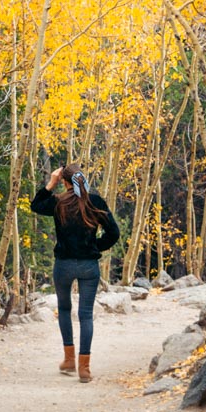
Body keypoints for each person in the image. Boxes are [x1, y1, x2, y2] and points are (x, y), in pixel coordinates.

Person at [31, 163, 120, 383]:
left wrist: (50, 183)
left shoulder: (58, 202)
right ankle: (84, 368)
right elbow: (114, 233)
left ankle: (69, 359)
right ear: (82, 179)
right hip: (89, 266)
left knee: (64, 309)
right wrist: (94, 247)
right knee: (86, 314)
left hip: (64, 265)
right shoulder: (95, 201)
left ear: (64, 182)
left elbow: (35, 205)